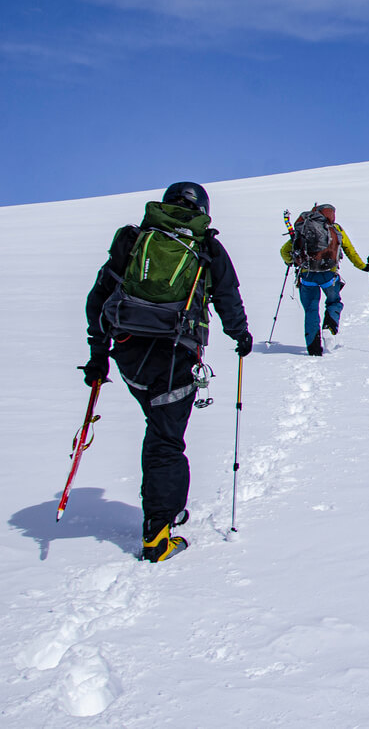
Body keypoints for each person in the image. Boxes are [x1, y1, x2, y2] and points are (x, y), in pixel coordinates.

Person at [83, 181, 253, 563]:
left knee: (159, 430)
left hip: (128, 350)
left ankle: (168, 507)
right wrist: (240, 334)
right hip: (177, 352)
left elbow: (99, 296)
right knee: (165, 440)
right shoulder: (206, 245)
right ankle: (158, 534)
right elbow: (227, 295)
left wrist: (99, 353)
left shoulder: (135, 238)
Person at [279, 203, 369, 356]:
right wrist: (363, 267)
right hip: (329, 275)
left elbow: (285, 251)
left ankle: (314, 349)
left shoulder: (304, 229)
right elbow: (349, 250)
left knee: (311, 310)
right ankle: (329, 326)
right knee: (334, 302)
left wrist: (292, 262)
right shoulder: (336, 229)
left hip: (307, 275)